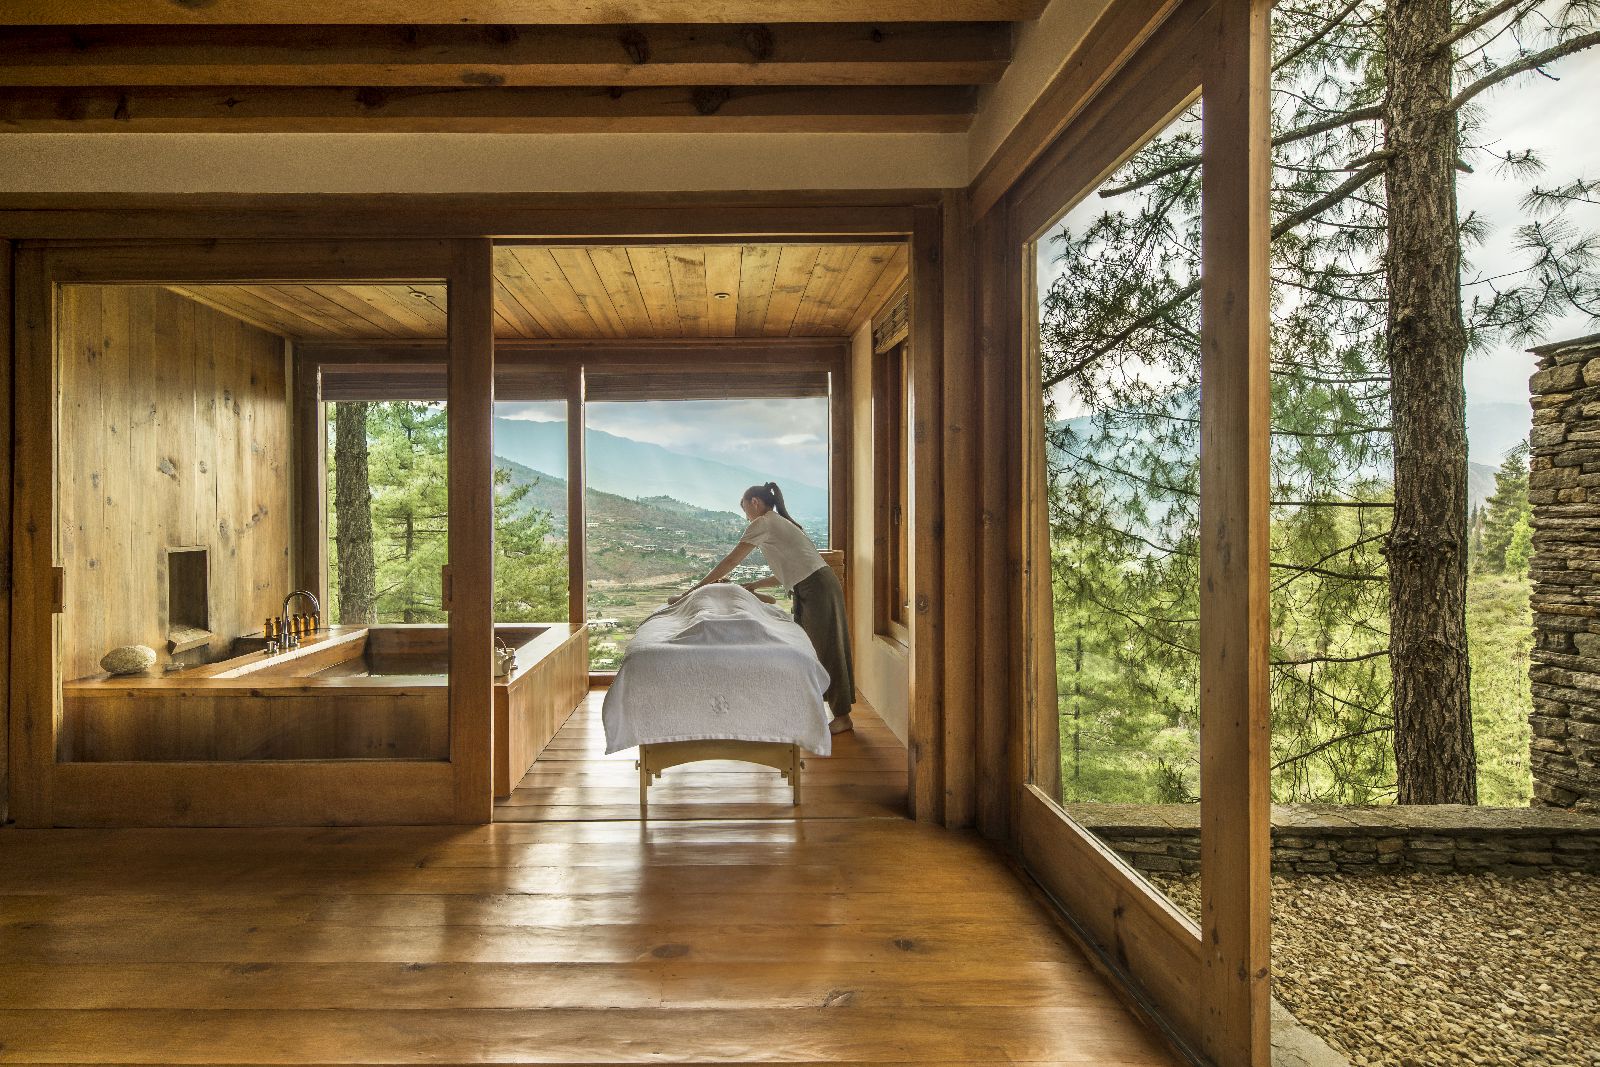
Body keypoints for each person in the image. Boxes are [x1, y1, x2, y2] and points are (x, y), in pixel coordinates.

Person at [671, 482, 857, 734]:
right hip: (812, 586)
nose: (746, 515)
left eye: (745, 508)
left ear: (755, 502)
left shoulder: (763, 522)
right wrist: (754, 584)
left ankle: (843, 717)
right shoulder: (779, 523)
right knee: (807, 649)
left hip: (817, 588)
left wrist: (694, 589)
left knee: (827, 648)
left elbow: (731, 560)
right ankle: (812, 706)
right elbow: (788, 572)